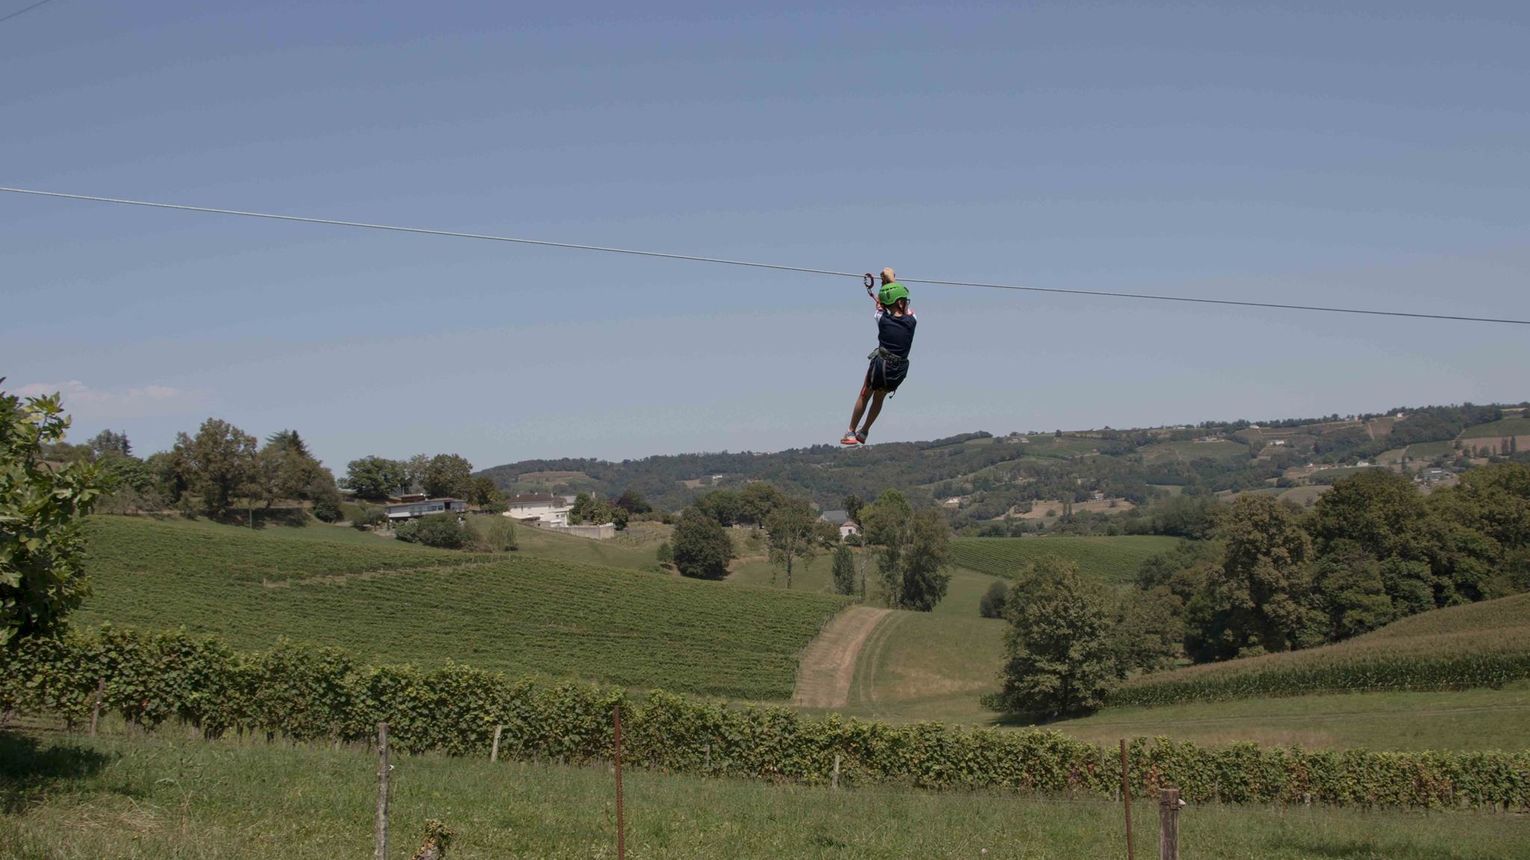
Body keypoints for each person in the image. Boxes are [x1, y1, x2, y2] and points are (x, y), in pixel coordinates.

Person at [842, 267, 916, 446]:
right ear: (901, 303)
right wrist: (891, 280)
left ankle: (851, 431)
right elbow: (904, 308)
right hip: (898, 369)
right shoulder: (913, 321)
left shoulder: (881, 318)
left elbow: (883, 307)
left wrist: (887, 283)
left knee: (865, 394)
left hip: (881, 365)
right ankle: (865, 431)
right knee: (879, 397)